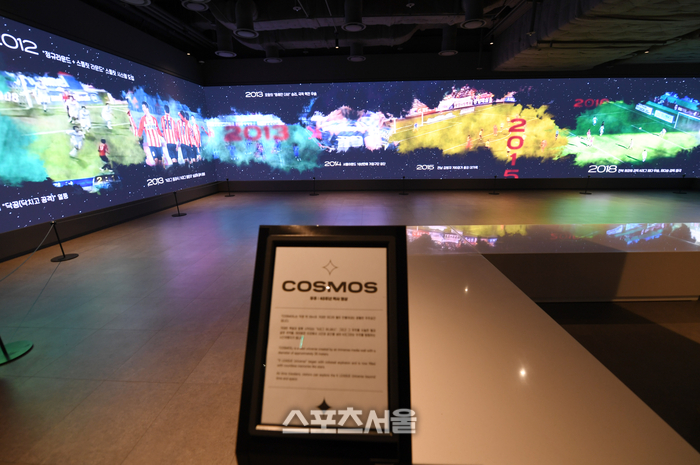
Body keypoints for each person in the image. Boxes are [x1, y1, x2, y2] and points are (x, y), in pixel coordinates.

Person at [137, 101, 165, 166]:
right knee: (156, 160)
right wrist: (138, 138)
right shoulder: (143, 119)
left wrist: (162, 136)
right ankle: (157, 172)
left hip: (158, 143)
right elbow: (140, 130)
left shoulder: (154, 119)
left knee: (160, 161)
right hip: (151, 144)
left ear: (147, 108)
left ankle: (161, 172)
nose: (143, 109)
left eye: (143, 107)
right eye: (142, 107)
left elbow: (157, 129)